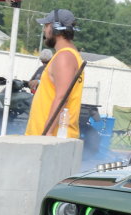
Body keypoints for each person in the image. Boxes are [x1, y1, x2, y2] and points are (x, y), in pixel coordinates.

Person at [25, 9, 84, 138]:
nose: (44, 31)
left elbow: (62, 98)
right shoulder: (68, 55)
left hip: (49, 138)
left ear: (55, 28)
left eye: (46, 26)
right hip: (46, 137)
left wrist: (48, 133)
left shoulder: (65, 57)